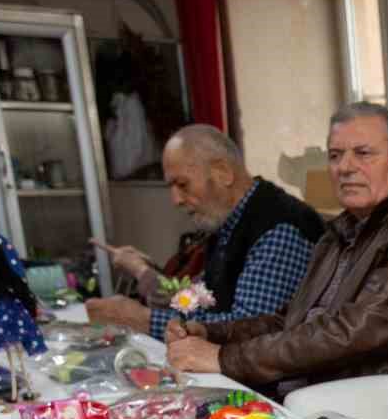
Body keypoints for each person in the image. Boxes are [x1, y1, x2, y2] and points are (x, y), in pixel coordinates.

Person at [166, 103, 388, 392]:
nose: (345, 167)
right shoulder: (341, 232)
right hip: (319, 399)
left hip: (385, 416)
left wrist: (224, 358)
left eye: (364, 153)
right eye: (335, 155)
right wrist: (210, 333)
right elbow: (289, 321)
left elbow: (350, 334)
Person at [86, 125, 322, 339]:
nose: (176, 200)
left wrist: (143, 320)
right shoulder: (227, 221)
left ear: (223, 172)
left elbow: (249, 328)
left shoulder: (277, 227)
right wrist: (146, 276)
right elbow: (202, 300)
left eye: (183, 185)